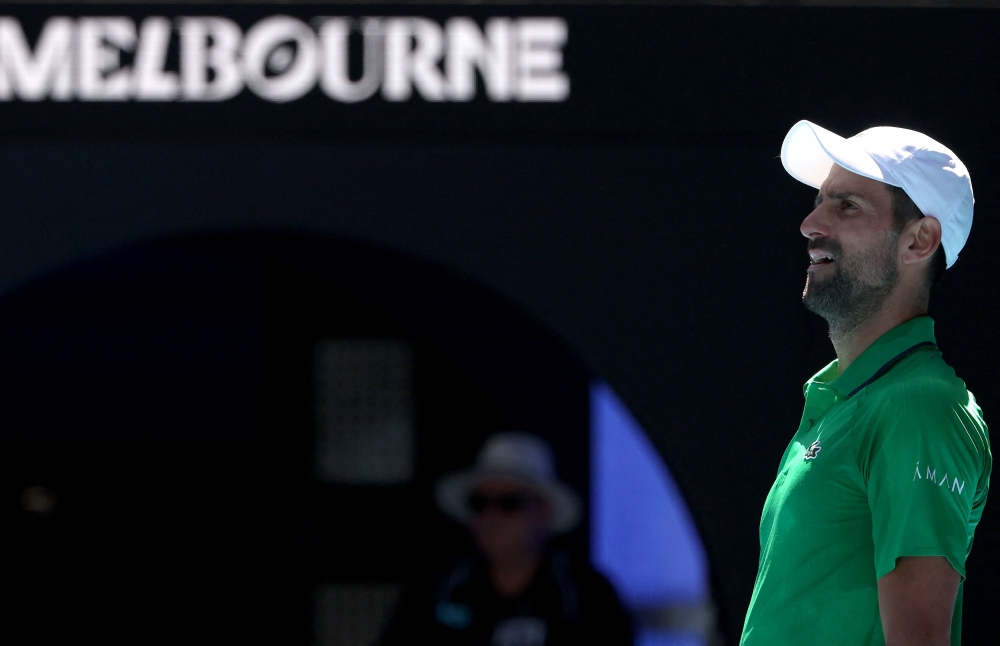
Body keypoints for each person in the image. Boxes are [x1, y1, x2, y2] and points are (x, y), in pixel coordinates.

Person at [740, 121, 992, 646]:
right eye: (819, 202)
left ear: (919, 239)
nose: (810, 223)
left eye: (847, 206)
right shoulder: (849, 401)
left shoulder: (919, 406)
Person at [380, 432, 632, 646]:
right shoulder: (437, 590)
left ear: (543, 511)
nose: (492, 517)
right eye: (479, 503)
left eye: (510, 503)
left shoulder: (586, 598)